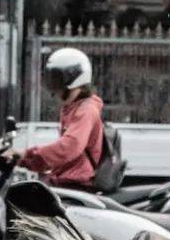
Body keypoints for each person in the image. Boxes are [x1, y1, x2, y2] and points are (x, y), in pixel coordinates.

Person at [15, 48, 104, 190]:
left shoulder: (86, 110)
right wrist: (27, 159)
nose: (54, 88)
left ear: (74, 79)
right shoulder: (72, 108)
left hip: (76, 185)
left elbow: (69, 147)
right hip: (65, 181)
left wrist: (25, 156)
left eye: (57, 80)